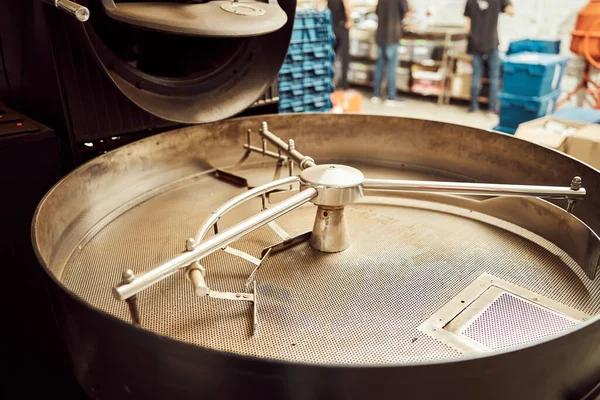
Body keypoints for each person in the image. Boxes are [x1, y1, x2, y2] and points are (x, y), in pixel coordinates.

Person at [464, 0, 514, 114]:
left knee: (476, 76)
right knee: (494, 78)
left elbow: (467, 25)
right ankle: (491, 109)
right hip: (491, 43)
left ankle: (473, 107)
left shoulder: (470, 1)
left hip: (475, 44)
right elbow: (511, 11)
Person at [371, 0, 411, 105]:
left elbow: (377, 12)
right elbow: (406, 13)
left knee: (379, 67)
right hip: (392, 36)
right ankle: (391, 97)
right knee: (391, 68)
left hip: (380, 35)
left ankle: (376, 95)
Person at [328, 0, 353, 90]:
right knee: (344, 58)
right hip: (342, 27)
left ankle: (329, 82)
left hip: (332, 27)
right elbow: (347, 6)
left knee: (331, 57)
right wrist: (349, 20)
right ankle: (344, 85)